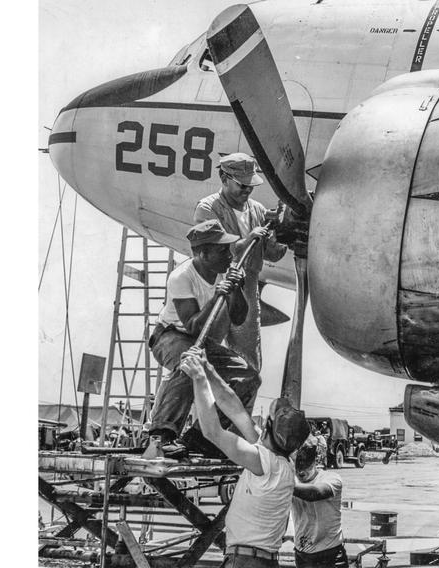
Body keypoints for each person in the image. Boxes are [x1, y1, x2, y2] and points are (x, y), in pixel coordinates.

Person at [178, 348, 310, 568]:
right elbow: (236, 409)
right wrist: (208, 369)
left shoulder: (264, 462)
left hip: (247, 561)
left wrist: (199, 378)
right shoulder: (280, 460)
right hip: (256, 559)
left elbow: (212, 431)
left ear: (267, 428)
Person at [143, 220, 260, 459]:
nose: (229, 255)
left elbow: (238, 318)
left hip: (200, 340)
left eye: (229, 249)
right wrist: (218, 294)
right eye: (222, 250)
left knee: (248, 377)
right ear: (202, 254)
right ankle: (162, 435)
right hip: (170, 335)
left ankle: (200, 438)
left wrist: (236, 289)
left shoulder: (226, 273)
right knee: (190, 361)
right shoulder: (181, 277)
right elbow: (194, 326)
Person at [193, 153, 288, 372]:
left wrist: (283, 232)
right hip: (216, 290)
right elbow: (214, 251)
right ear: (224, 178)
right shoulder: (207, 209)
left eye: (250, 186)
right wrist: (250, 239)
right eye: (241, 185)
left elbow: (273, 254)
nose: (247, 190)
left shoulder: (257, 210)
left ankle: (242, 405)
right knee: (204, 357)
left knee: (249, 362)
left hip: (247, 291)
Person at [291, 438, 347, 568]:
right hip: (302, 555)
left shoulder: (332, 479)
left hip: (330, 555)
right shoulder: (292, 481)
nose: (300, 472)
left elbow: (314, 493)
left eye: (305, 466)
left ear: (314, 461)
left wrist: (284, 483)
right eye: (297, 466)